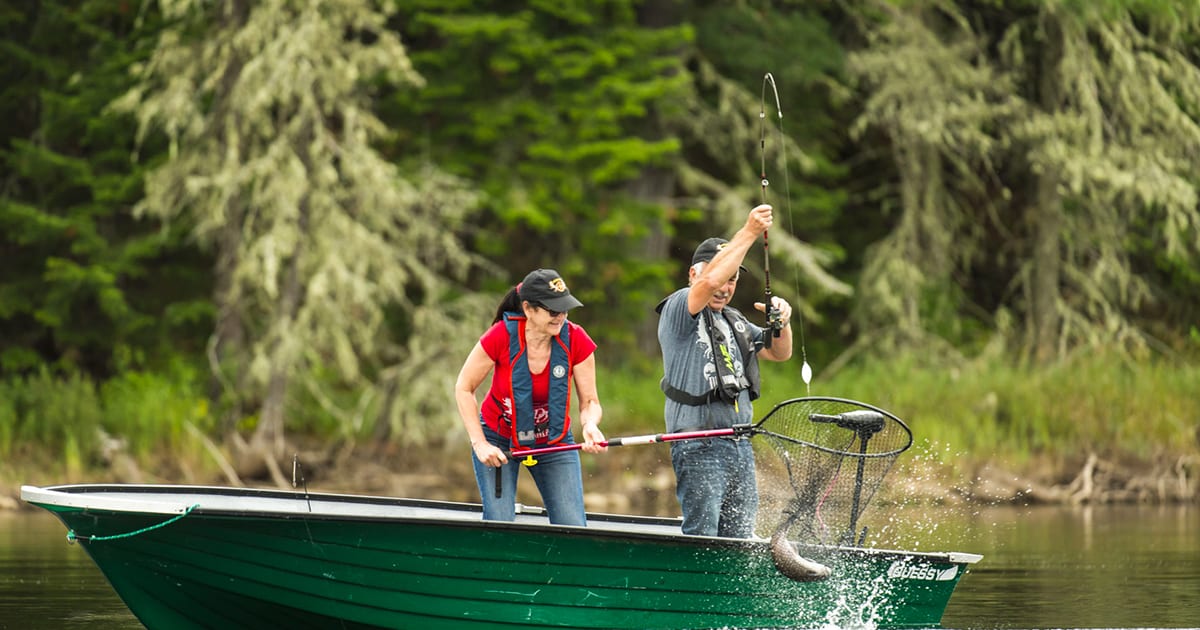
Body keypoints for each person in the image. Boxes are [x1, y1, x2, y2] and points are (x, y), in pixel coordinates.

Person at [656, 203, 795, 538]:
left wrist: (783, 323)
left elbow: (779, 353)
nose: (725, 286)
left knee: (739, 540)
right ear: (693, 274)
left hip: (739, 445)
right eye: (723, 277)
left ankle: (726, 592)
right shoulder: (679, 306)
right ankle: (695, 590)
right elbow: (711, 279)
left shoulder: (733, 320)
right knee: (703, 537)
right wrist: (749, 231)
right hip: (698, 445)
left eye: (733, 280)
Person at [454, 268, 606, 526]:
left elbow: (590, 401)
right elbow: (464, 387)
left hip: (554, 440)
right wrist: (480, 444)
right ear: (528, 309)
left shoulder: (577, 339)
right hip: (498, 439)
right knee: (499, 524)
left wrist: (590, 425)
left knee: (573, 527)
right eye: (553, 311)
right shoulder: (500, 335)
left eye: (565, 309)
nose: (561, 317)